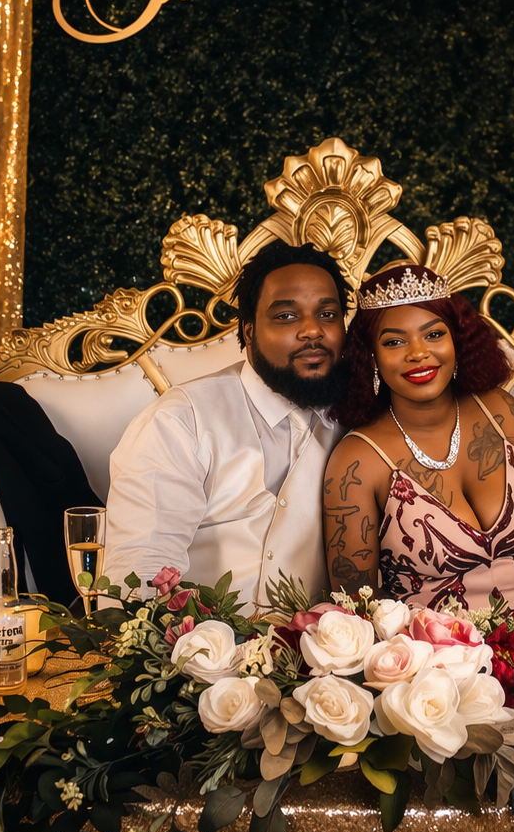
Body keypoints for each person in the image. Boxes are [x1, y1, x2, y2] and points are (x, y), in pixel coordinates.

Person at [104, 241, 351, 607]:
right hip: (199, 652)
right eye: (286, 316)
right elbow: (138, 572)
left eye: (328, 315)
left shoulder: (361, 414)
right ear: (248, 331)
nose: (312, 331)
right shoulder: (180, 421)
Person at [322, 264, 514, 609]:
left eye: (434, 334)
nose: (418, 353)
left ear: (458, 340)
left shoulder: (501, 411)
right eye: (394, 341)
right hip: (429, 657)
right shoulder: (357, 461)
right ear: (371, 357)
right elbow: (355, 603)